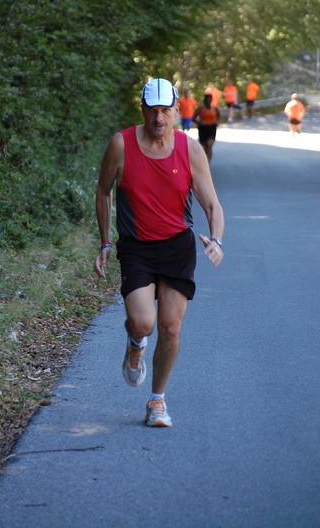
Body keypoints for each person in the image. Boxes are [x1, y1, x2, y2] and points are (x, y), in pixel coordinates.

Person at [94, 78, 224, 428]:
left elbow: (212, 203)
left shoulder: (190, 149)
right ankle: (136, 343)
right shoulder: (120, 145)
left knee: (169, 328)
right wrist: (106, 242)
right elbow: (103, 192)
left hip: (178, 247)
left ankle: (157, 401)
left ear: (177, 109)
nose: (159, 118)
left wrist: (217, 239)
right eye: (152, 110)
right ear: (142, 109)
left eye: (166, 110)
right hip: (136, 248)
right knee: (143, 322)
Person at [194, 93, 221, 162]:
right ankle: (205, 158)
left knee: (209, 145)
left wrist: (217, 122)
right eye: (207, 100)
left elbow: (218, 116)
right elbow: (193, 118)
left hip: (212, 128)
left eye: (210, 100)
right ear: (204, 100)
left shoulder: (214, 108)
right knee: (203, 146)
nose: (209, 101)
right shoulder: (200, 108)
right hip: (202, 128)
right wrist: (200, 123)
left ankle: (207, 162)